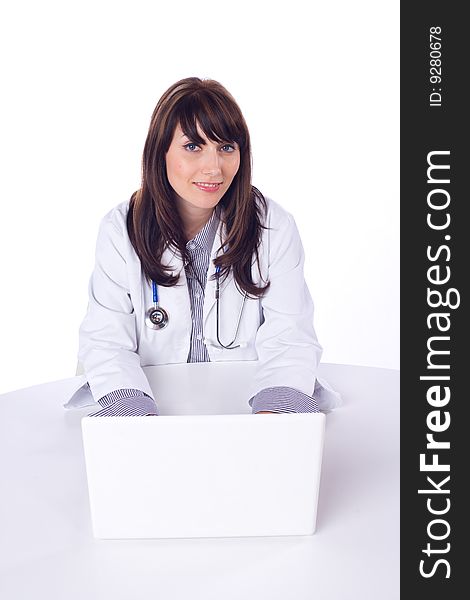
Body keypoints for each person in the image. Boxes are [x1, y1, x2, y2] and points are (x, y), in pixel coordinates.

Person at [75, 76, 340, 417]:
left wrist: (272, 422)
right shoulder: (120, 229)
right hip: (153, 409)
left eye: (226, 147)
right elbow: (106, 342)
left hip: (248, 410)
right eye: (193, 146)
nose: (214, 167)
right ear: (161, 153)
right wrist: (135, 421)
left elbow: (290, 338)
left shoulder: (273, 226)